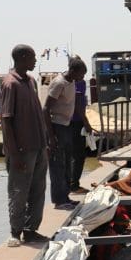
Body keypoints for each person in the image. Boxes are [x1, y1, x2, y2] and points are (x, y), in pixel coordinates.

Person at [0, 44, 49, 247]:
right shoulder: (10, 83)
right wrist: (15, 153)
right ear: (21, 57)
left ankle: (31, 230)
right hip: (22, 150)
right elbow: (6, 120)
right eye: (32, 57)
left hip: (38, 146)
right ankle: (16, 231)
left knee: (38, 189)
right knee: (19, 191)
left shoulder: (30, 81)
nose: (35, 60)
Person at [44, 57, 88, 209]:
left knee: (68, 163)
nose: (82, 78)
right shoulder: (59, 83)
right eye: (81, 75)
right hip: (57, 126)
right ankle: (59, 200)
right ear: (73, 71)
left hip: (67, 126)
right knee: (57, 165)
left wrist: (85, 122)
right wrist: (51, 136)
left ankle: (66, 196)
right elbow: (45, 110)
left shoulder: (72, 82)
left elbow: (74, 104)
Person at [68, 73, 94, 194]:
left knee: (72, 154)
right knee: (78, 155)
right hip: (76, 122)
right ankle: (74, 186)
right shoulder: (79, 82)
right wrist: (86, 122)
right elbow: (78, 103)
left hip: (68, 121)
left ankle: (70, 184)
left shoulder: (68, 82)